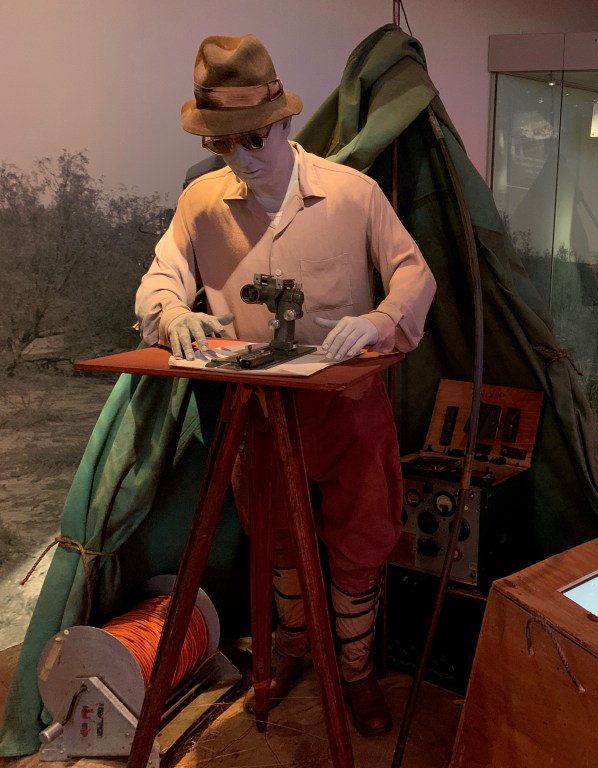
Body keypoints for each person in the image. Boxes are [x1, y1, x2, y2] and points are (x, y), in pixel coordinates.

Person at [135, 34, 436, 736]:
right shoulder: (202, 204)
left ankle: (355, 669)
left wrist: (378, 319)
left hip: (346, 406)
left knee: (360, 536)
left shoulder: (352, 194)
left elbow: (413, 273)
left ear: (284, 121)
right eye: (223, 143)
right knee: (272, 535)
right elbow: (159, 278)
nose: (241, 158)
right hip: (261, 409)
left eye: (253, 139)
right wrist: (173, 312)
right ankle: (296, 650)